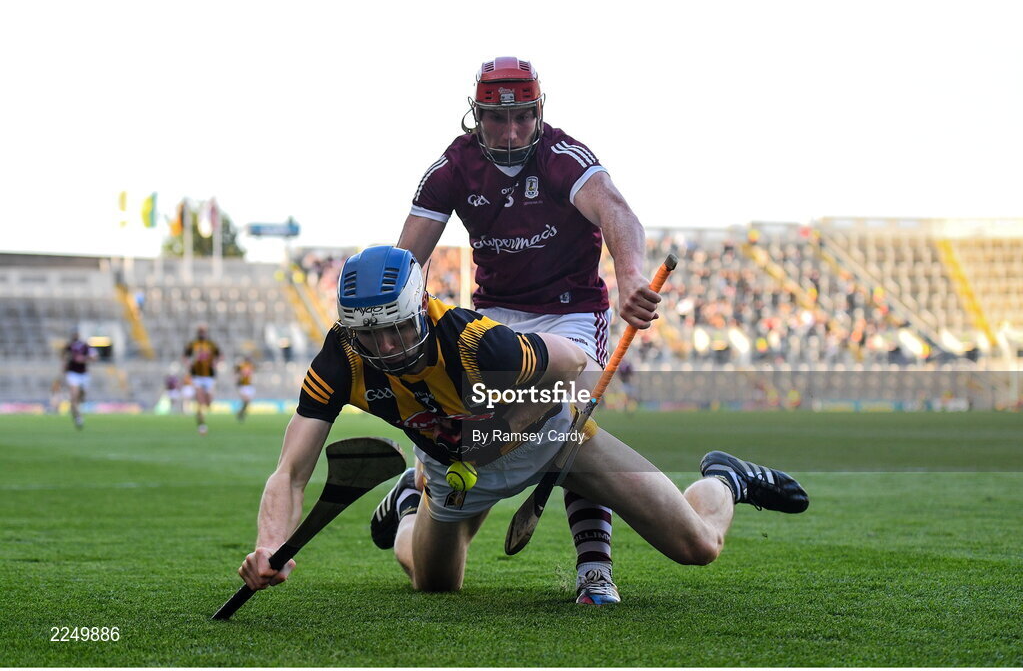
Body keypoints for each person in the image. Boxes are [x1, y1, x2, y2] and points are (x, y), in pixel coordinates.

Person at [236, 247, 808, 606]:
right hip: (454, 466)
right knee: (434, 585)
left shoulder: (477, 342)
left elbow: (575, 362)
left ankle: (725, 479)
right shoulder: (339, 360)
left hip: (551, 441)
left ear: (420, 308)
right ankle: (412, 502)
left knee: (698, 546)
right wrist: (267, 545)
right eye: (369, 333)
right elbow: (291, 471)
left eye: (397, 329)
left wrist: (518, 416)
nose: (385, 347)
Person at [396, 56, 663, 603]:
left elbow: (617, 212)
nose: (512, 132)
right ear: (477, 117)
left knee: (568, 417)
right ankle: (416, 492)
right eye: (497, 118)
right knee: (470, 463)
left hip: (570, 314)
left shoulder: (563, 157)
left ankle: (594, 567)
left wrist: (632, 274)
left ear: (540, 113)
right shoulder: (453, 166)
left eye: (523, 117)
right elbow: (405, 259)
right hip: (494, 321)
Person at [182, 324, 221, 435]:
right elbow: (185, 356)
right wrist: (188, 364)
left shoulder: (211, 344)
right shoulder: (193, 344)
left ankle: (203, 412)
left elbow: (219, 355)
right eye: (200, 331)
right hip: (197, 376)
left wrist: (216, 363)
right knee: (199, 400)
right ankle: (201, 425)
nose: (202, 333)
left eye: (203, 331)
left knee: (208, 401)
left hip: (209, 376)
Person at [62, 328, 96, 429]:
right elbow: (63, 357)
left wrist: (84, 359)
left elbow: (94, 357)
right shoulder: (69, 346)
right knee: (74, 396)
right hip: (73, 373)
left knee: (82, 397)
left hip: (83, 374)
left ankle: (75, 409)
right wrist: (64, 366)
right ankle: (78, 417)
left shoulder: (85, 346)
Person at [235, 356, 256, 421]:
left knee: (247, 402)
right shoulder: (241, 366)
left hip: (249, 385)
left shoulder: (251, 366)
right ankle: (241, 412)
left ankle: (241, 412)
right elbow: (236, 372)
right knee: (245, 399)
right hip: (243, 385)